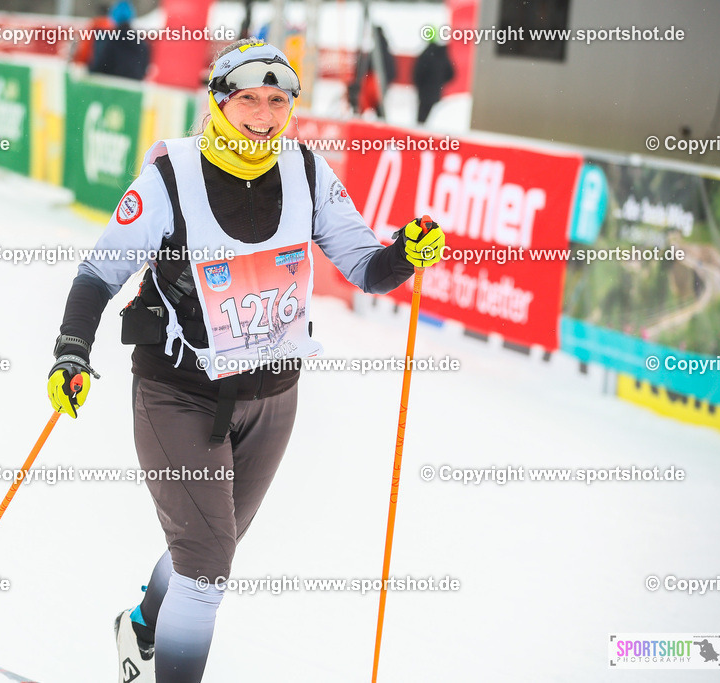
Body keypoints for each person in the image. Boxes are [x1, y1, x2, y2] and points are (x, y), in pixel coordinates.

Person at [47, 39, 445, 683]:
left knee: (209, 546)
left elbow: (366, 266)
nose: (263, 114)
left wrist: (406, 252)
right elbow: (100, 270)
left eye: (277, 100)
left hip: (273, 397)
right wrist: (71, 351)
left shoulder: (307, 172)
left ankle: (145, 624)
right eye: (248, 100)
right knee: (207, 566)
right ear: (219, 102)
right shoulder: (171, 175)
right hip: (179, 392)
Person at [89, 0, 150, 81]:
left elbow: (101, 66)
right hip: (133, 87)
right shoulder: (141, 42)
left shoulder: (111, 40)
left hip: (111, 86)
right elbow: (143, 69)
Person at [347, 25, 397, 119]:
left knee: (364, 102)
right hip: (379, 83)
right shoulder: (385, 49)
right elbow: (392, 71)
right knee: (378, 108)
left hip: (373, 82)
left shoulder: (377, 51)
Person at [413, 29, 454, 124]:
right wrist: (438, 83)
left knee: (421, 121)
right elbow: (451, 73)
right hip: (435, 92)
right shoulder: (442, 54)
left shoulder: (426, 54)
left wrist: (421, 85)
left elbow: (418, 74)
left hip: (424, 92)